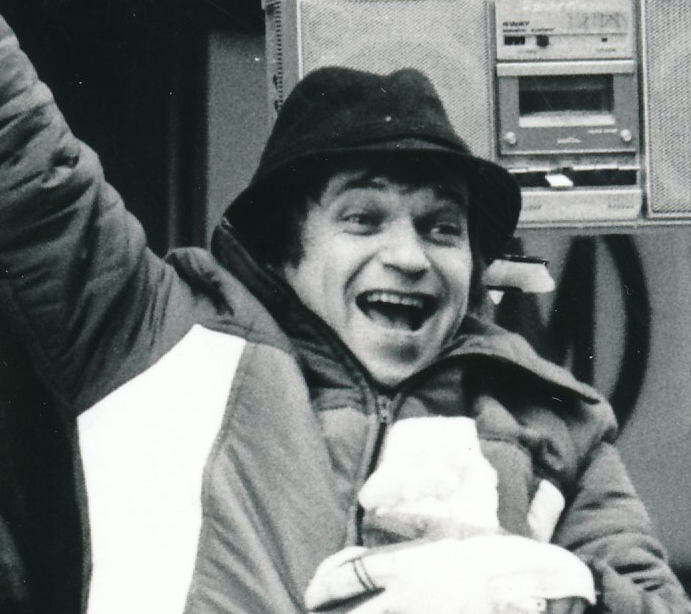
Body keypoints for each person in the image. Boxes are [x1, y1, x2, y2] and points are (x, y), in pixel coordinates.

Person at [0, 11, 689, 614]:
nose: (410, 256)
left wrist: (558, 595)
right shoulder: (152, 338)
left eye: (442, 228)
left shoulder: (557, 419)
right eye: (363, 218)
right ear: (283, 249)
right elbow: (29, 160)